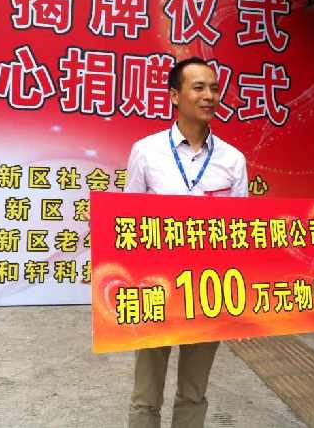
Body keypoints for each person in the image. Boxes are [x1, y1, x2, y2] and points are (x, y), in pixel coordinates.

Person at [124, 56, 248, 428]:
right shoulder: (146, 151)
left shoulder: (233, 160)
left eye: (214, 88)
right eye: (199, 87)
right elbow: (128, 218)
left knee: (194, 390)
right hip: (154, 287)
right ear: (175, 96)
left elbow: (240, 232)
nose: (209, 95)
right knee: (146, 393)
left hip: (207, 291)